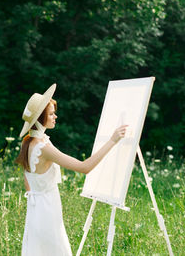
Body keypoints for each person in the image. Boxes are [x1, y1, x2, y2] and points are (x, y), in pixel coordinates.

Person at [15, 84, 127, 256]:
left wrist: (37, 199)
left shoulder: (28, 141)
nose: (55, 116)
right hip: (46, 209)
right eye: (51, 114)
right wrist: (112, 140)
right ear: (40, 118)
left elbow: (27, 179)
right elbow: (84, 167)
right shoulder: (42, 146)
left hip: (37, 210)